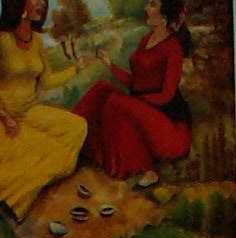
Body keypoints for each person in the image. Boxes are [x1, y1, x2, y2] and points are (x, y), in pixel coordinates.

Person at [0, 0, 87, 221]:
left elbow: (46, 81)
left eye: (44, 0)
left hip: (28, 112)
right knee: (61, 157)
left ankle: (12, 180)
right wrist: (2, 115)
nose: (42, 4)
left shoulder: (37, 39)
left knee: (78, 126)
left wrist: (75, 69)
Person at [74, 0, 192, 184]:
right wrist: (110, 65)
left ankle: (145, 170)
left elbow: (166, 96)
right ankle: (72, 140)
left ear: (163, 17)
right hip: (146, 112)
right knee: (101, 89)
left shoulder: (173, 48)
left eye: (152, 4)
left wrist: (136, 101)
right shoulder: (146, 40)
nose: (146, 8)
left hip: (170, 127)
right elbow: (135, 83)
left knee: (117, 102)